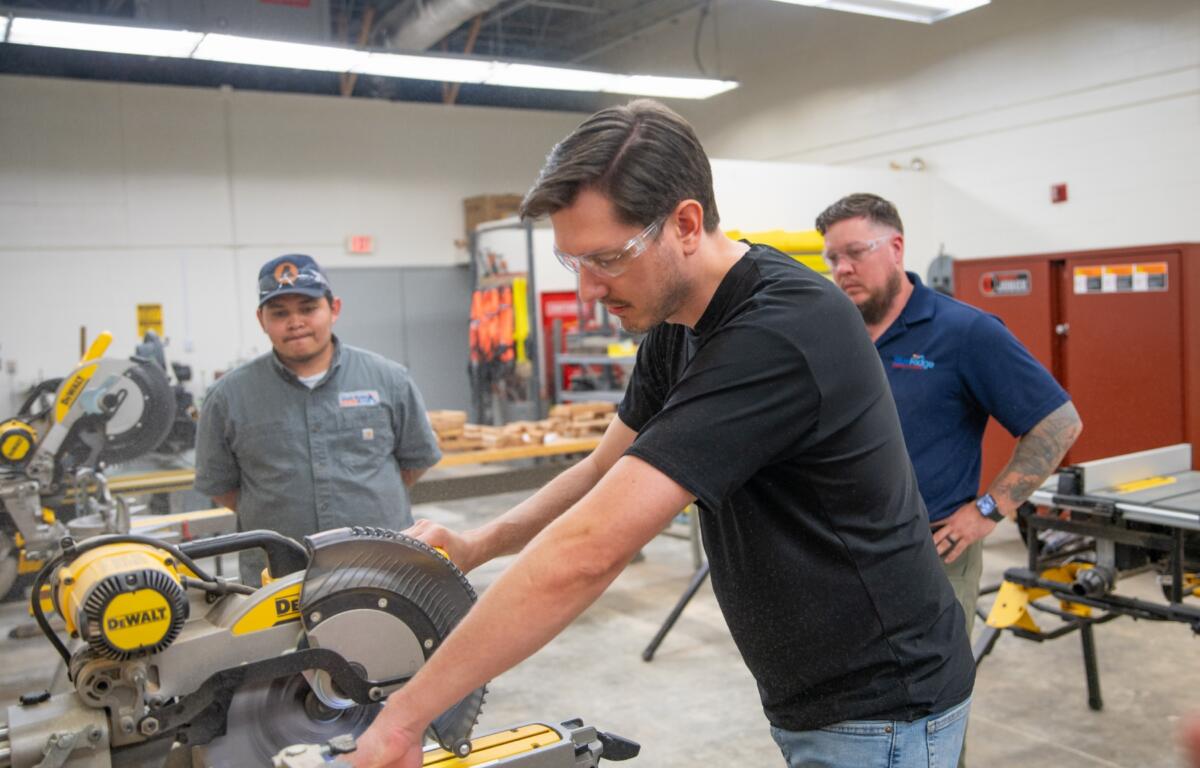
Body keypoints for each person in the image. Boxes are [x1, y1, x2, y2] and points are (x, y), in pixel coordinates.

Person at [347, 100, 974, 768]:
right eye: (572, 262)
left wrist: (404, 719)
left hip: (882, 705)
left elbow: (590, 551)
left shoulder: (779, 333)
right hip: (815, 693)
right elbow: (599, 474)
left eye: (606, 259)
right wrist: (476, 546)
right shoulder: (677, 323)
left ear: (685, 223)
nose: (587, 289)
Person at [815, 193, 1083, 643]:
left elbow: (1059, 423)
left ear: (896, 248)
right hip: (839, 556)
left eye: (856, 253)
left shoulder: (964, 332)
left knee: (927, 701)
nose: (842, 269)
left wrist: (987, 511)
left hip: (931, 556)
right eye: (833, 258)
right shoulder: (832, 333)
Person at [194, 254, 442, 585]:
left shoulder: (390, 380)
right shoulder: (227, 397)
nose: (295, 322)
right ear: (261, 319)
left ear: (334, 309)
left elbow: (414, 462)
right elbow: (221, 487)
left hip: (382, 570)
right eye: (279, 313)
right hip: (279, 579)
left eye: (308, 308)